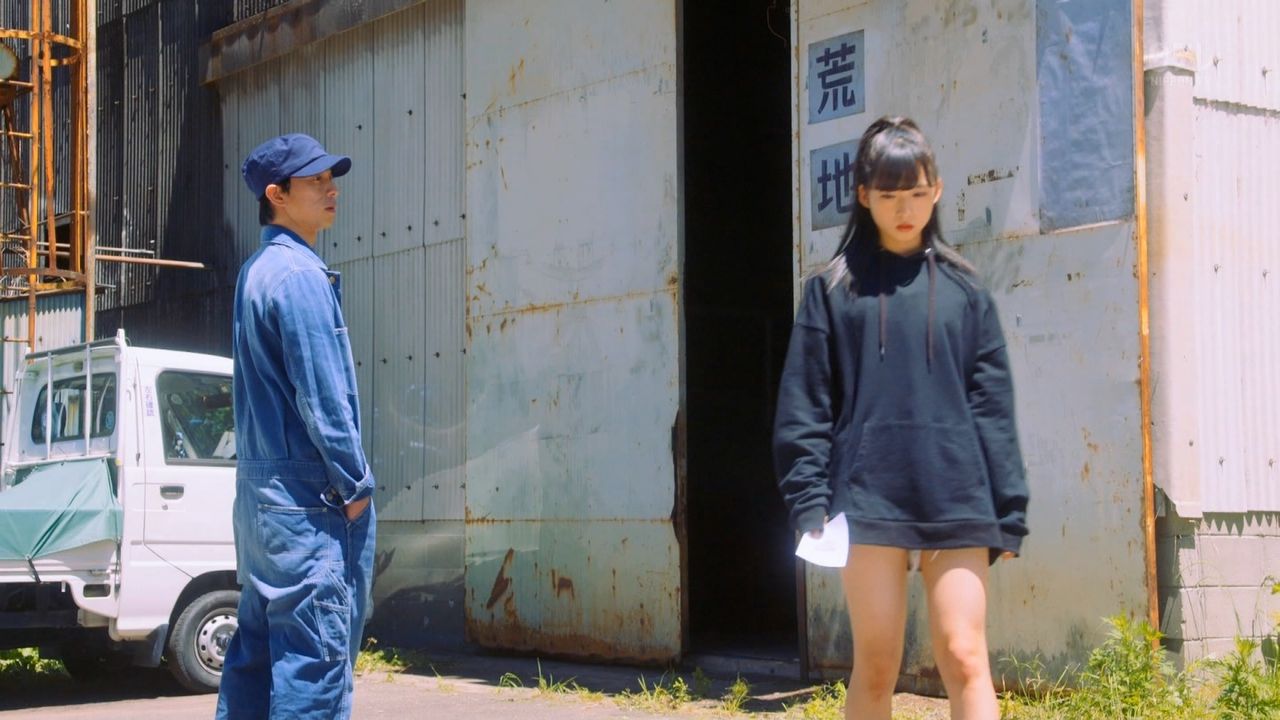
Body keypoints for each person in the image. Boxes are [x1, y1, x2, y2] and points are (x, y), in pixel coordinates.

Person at [773, 117, 1029, 720]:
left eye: (916, 192)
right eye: (889, 195)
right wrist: (808, 501)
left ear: (937, 190)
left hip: (956, 491)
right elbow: (806, 404)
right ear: (864, 196)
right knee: (877, 662)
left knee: (965, 656)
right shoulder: (831, 291)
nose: (905, 208)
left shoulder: (967, 291)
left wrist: (1009, 508)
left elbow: (992, 405)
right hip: (868, 495)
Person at [216, 133, 376, 720]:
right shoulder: (299, 276)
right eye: (315, 180)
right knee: (315, 667)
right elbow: (323, 396)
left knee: (256, 662)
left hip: (262, 505)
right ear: (276, 195)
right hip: (311, 506)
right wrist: (356, 488)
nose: (331, 189)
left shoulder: (256, 272)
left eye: (331, 178)